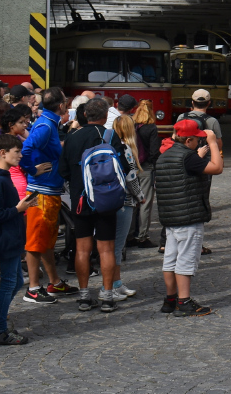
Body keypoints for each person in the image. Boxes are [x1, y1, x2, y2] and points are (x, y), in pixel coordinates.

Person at [58, 97, 127, 313]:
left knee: (82, 249)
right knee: (106, 249)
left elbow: (64, 171)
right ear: (106, 116)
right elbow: (122, 167)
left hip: (80, 199)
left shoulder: (73, 137)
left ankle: (84, 296)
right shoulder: (109, 136)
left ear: (85, 115)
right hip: (105, 199)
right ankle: (107, 296)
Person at [156, 118, 223, 317]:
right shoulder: (188, 157)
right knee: (185, 260)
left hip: (171, 217)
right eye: (197, 139)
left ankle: (170, 299)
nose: (199, 142)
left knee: (170, 259)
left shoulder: (165, 155)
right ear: (188, 141)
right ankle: (184, 302)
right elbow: (217, 168)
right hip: (188, 216)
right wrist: (212, 143)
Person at [20, 88, 75, 305]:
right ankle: (33, 288)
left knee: (47, 241)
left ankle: (54, 281)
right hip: (40, 192)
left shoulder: (48, 123)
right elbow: (26, 148)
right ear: (61, 106)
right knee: (35, 242)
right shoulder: (45, 125)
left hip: (48, 191)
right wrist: (32, 170)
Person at [0, 133, 34, 345]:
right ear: (2, 153)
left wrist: (21, 206)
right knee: (10, 282)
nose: (20, 155)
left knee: (17, 281)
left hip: (10, 235)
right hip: (4, 238)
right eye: (17, 152)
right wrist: (17, 208)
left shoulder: (1, 177)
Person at [105, 113, 142, 303]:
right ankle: (113, 285)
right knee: (117, 246)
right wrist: (140, 196)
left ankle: (115, 283)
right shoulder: (125, 148)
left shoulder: (107, 146)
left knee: (112, 245)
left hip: (108, 200)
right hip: (124, 201)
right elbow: (131, 177)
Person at [128, 98, 161, 247]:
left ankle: (129, 234)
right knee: (145, 203)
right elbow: (154, 152)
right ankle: (141, 236)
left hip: (131, 166)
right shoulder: (151, 128)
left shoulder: (132, 126)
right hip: (146, 168)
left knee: (132, 201)